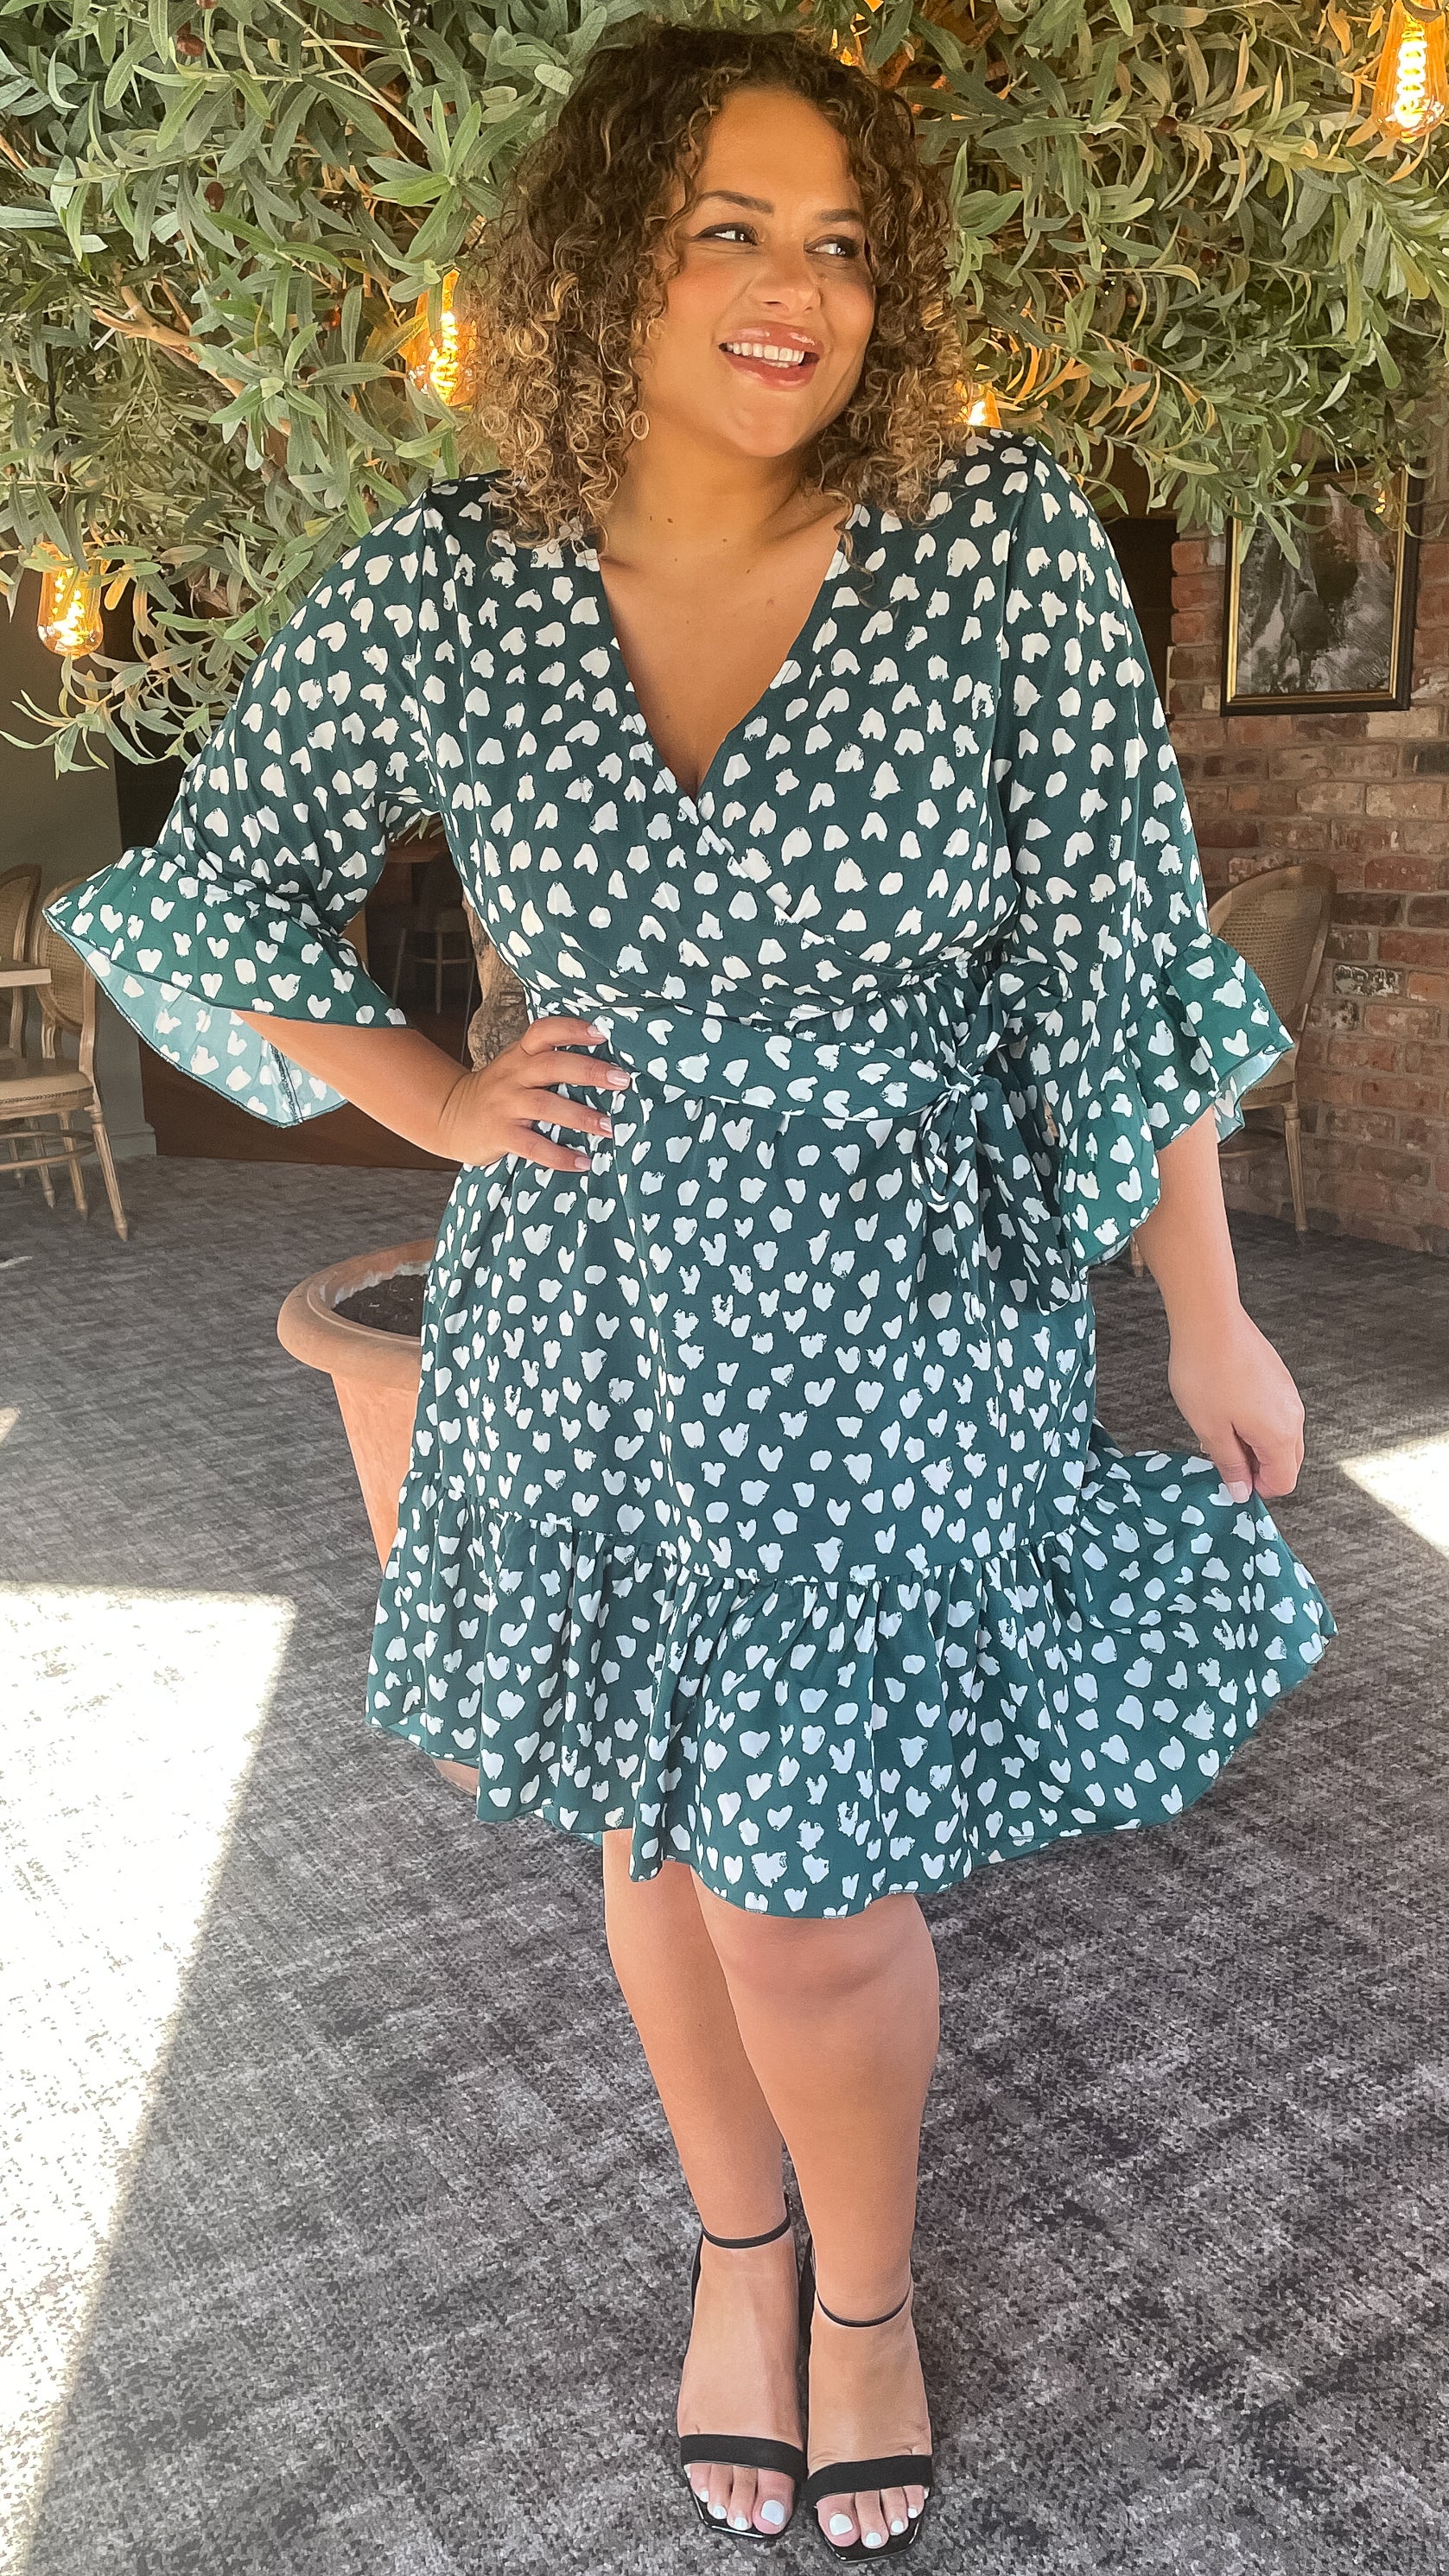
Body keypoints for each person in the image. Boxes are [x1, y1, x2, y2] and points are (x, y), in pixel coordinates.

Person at [48, 21, 1335, 2559]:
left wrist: (1210, 1308)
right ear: (602, 262)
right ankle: (740, 2253)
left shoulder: (994, 542)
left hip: (898, 1304)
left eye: (841, 243)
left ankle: (863, 2293)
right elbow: (212, 887)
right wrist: (434, 1102)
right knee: (655, 1822)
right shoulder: (451, 580)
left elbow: (1116, 949)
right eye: (728, 228)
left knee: (811, 1889)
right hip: (590, 1304)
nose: (796, 289)